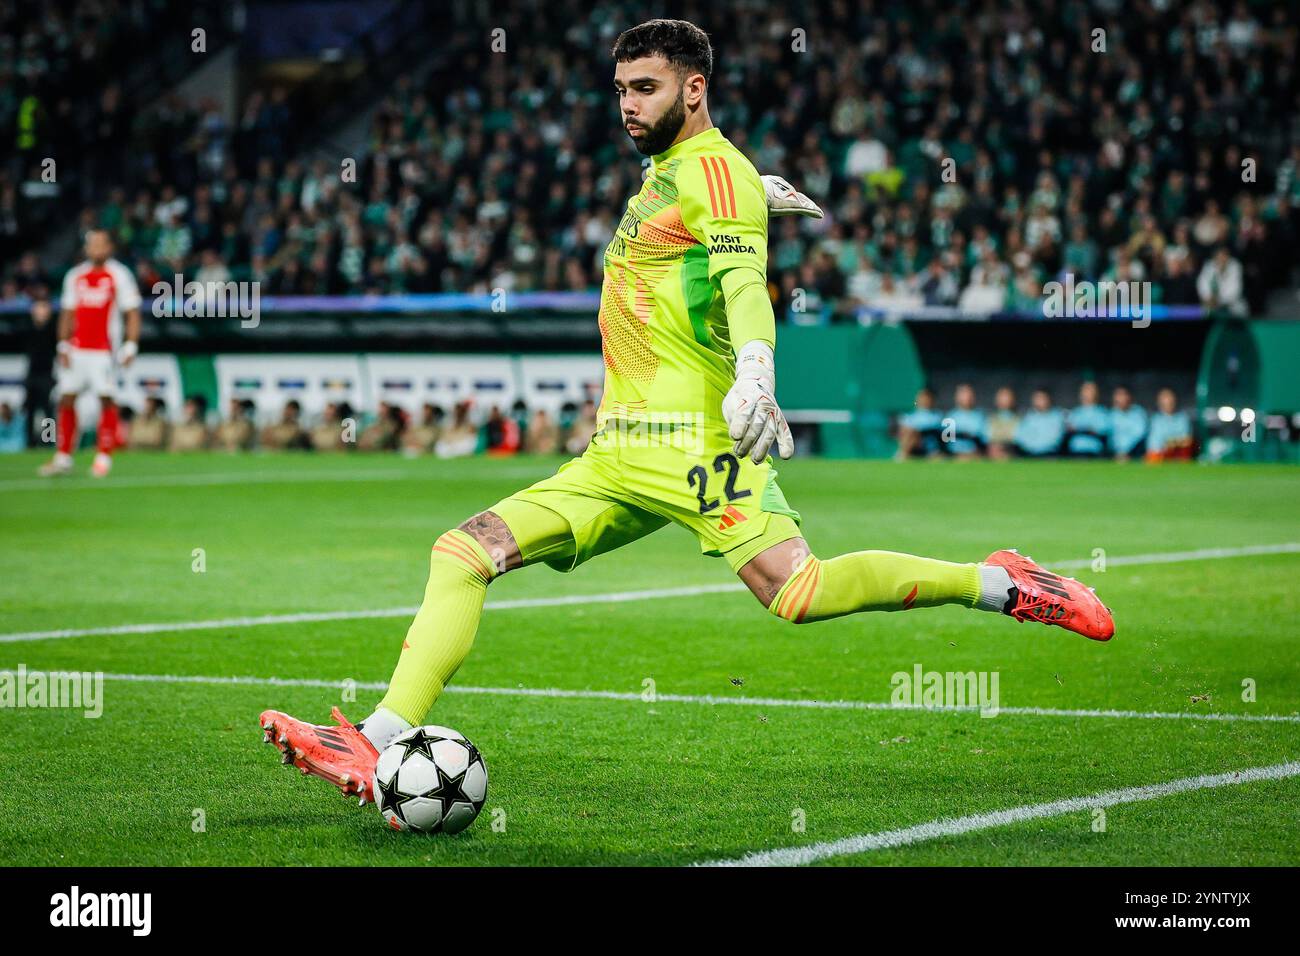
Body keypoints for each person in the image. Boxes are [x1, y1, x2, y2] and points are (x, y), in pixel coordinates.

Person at [259, 19, 1114, 809]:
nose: (628, 105)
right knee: (461, 553)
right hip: (617, 454)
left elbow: (744, 282)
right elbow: (701, 230)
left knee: (799, 593)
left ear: (694, 88)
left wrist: (755, 366)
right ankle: (374, 743)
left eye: (647, 89)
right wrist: (752, 196)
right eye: (622, 89)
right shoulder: (677, 173)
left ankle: (1005, 584)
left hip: (698, 444)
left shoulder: (711, 171)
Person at [38, 229, 142, 477]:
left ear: (109, 247)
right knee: (66, 398)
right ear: (86, 248)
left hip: (104, 352)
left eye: (100, 244)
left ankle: (104, 456)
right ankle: (63, 456)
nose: (96, 248)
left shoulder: (120, 275)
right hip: (76, 350)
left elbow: (132, 312)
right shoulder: (75, 276)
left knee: (106, 398)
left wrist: (131, 345)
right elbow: (67, 313)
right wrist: (62, 344)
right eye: (91, 244)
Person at [894, 387, 943, 459]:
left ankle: (901, 457)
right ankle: (902, 455)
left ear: (932, 399)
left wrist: (919, 432)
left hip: (930, 449)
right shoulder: (910, 417)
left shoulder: (938, 416)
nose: (924, 400)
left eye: (927, 397)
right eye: (922, 397)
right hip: (913, 447)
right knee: (910, 433)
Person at [1146, 388, 1193, 462]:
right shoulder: (1155, 420)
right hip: (1159, 454)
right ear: (1159, 403)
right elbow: (1154, 444)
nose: (1168, 403)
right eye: (1165, 400)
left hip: (1177, 454)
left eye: (1170, 401)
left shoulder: (1182, 418)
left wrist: (1170, 444)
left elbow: (1186, 440)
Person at [1015, 389, 1066, 457]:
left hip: (1050, 455)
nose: (1039, 401)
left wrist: (1038, 449)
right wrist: (1031, 449)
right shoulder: (1028, 417)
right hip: (1028, 454)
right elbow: (1020, 437)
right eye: (1037, 398)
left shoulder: (1057, 417)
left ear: (1049, 399)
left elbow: (1055, 440)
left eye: (1042, 398)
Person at [944, 383, 988, 460]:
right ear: (957, 397)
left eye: (969, 394)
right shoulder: (950, 417)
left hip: (976, 455)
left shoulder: (981, 416)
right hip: (954, 456)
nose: (967, 397)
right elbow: (946, 441)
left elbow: (984, 439)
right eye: (963, 394)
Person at [1065, 381, 1110, 457]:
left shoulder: (1102, 412)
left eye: (1090, 390)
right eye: (1085, 390)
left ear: (1096, 393)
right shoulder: (1075, 412)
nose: (1087, 393)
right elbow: (1070, 430)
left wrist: (1085, 430)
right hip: (1075, 451)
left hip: (1094, 452)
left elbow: (1102, 432)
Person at [1109, 386, 1148, 461]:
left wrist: (1127, 453)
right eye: (1118, 395)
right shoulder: (1111, 414)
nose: (1121, 398)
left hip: (1134, 453)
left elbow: (1139, 436)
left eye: (1124, 395)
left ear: (1129, 397)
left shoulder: (1138, 413)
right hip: (1114, 454)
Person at [986, 386, 1020, 460]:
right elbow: (987, 439)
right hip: (993, 452)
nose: (1005, 400)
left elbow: (1018, 440)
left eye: (1007, 397)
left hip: (1012, 452)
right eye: (1002, 397)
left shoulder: (1019, 419)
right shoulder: (990, 419)